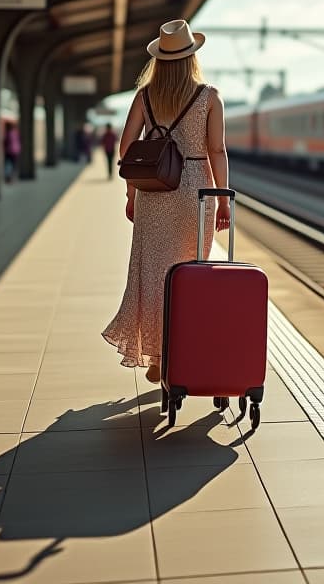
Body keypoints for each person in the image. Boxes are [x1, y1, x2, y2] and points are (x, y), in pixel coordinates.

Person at [102, 19, 231, 383]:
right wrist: (221, 199)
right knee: (190, 274)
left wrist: (131, 193)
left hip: (153, 190)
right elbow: (216, 150)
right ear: (192, 57)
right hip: (194, 190)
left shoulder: (144, 96)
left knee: (154, 275)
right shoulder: (209, 97)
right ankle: (187, 349)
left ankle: (158, 355)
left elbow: (126, 148)